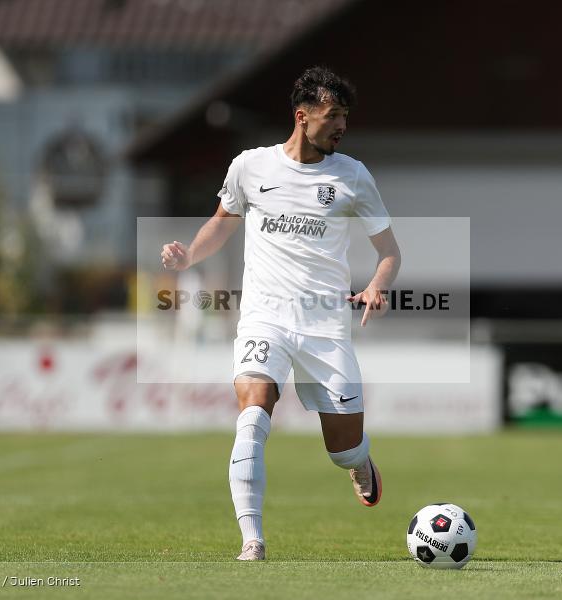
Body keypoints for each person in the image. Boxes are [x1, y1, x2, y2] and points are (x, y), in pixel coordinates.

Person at [161, 66, 401, 561]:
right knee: (252, 416)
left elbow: (390, 251)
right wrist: (189, 255)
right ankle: (252, 540)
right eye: (332, 115)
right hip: (263, 317)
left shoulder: (353, 176)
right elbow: (221, 225)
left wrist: (377, 286)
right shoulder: (251, 167)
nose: (341, 126)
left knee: (343, 450)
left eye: (345, 117)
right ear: (302, 116)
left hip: (325, 326)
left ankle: (360, 463)